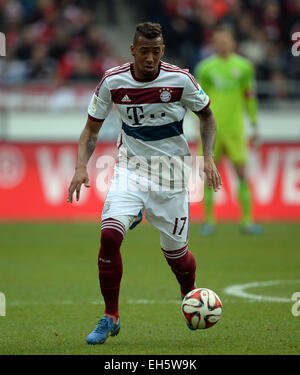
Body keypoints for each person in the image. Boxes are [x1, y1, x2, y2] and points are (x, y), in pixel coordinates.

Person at [67, 22, 222, 345]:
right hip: (130, 171)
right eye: (144, 52)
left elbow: (207, 116)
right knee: (109, 235)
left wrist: (207, 157)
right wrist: (81, 167)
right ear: (133, 50)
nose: (150, 58)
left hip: (172, 176)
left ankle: (187, 292)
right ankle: (111, 316)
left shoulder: (181, 80)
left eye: (156, 52)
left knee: (177, 256)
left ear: (162, 51)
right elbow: (91, 130)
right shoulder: (113, 81)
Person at [194, 26, 263, 236]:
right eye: (219, 40)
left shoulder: (243, 67)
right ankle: (209, 221)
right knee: (208, 174)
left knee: (241, 172)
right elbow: (196, 98)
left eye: (226, 40)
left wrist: (254, 123)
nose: (223, 44)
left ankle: (247, 220)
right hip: (210, 130)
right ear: (213, 43)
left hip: (235, 129)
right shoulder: (205, 68)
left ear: (233, 43)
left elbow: (249, 96)